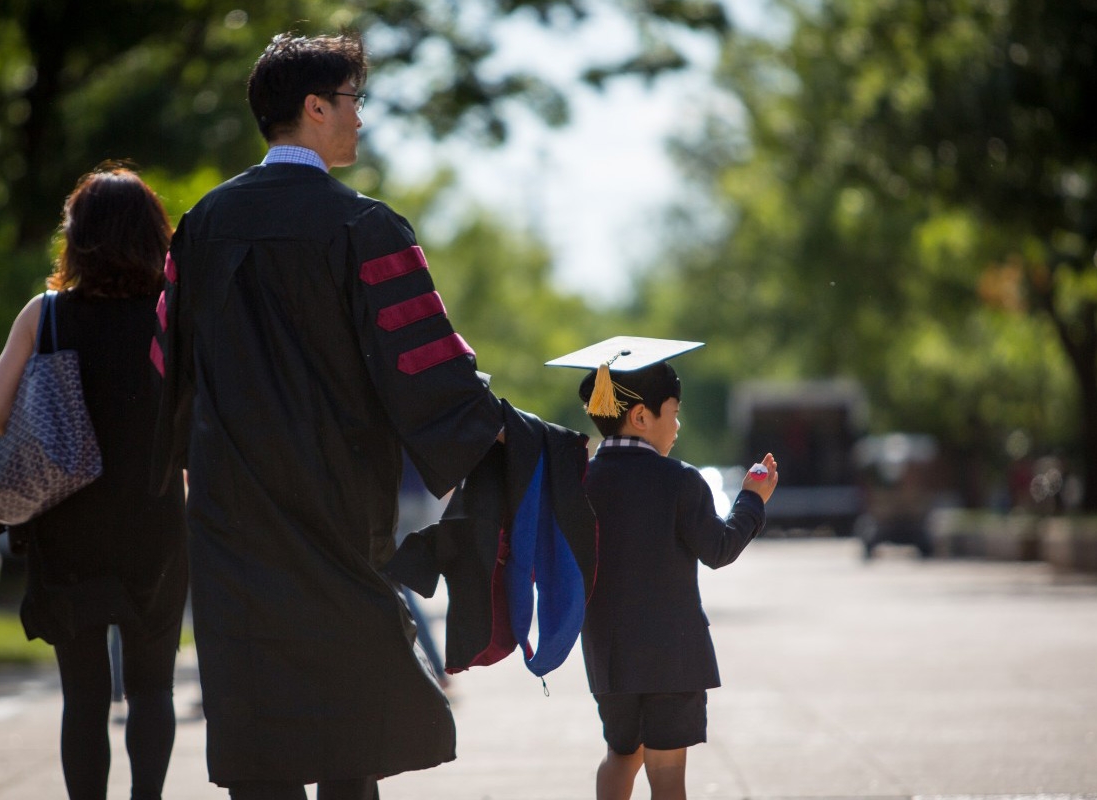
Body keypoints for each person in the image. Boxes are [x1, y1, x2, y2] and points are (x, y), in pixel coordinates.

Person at [149, 32, 505, 799]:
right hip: (339, 516)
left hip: (233, 520)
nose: (361, 120)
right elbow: (431, 370)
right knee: (350, 735)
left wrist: (188, 468)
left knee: (258, 735)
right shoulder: (367, 228)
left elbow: (164, 375)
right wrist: (508, 435)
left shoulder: (201, 227)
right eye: (353, 102)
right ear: (315, 108)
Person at [0, 165, 189, 800]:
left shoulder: (45, 315)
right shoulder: (172, 315)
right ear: (157, 235)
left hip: (68, 526)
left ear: (78, 237)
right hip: (154, 525)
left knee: (85, 694)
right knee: (152, 687)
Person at [546, 336, 779, 800]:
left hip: (608, 653)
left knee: (621, 755)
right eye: (673, 412)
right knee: (667, 771)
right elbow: (719, 548)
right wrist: (752, 499)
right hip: (672, 653)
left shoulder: (579, 482)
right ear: (640, 416)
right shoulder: (680, 480)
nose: (677, 425)